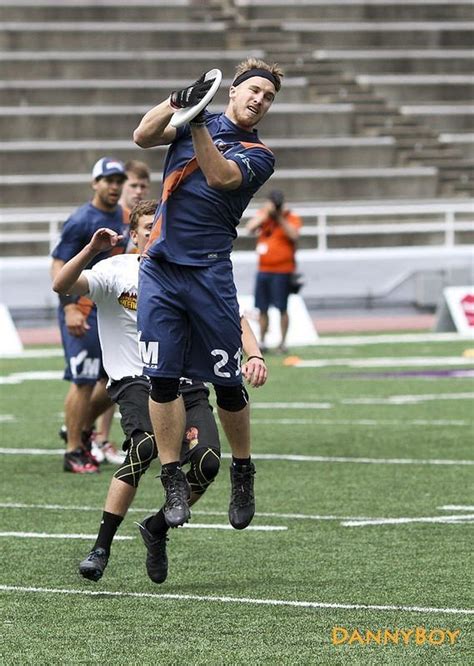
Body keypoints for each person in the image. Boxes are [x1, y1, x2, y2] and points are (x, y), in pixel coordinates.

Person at [52, 200, 267, 584]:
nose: (154, 231)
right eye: (147, 226)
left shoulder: (187, 269)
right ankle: (101, 546)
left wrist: (255, 354)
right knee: (146, 444)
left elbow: (233, 317)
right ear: (133, 234)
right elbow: (62, 285)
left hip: (185, 379)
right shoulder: (116, 269)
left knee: (207, 464)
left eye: (161, 224)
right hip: (134, 378)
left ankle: (156, 529)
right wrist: (91, 249)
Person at [133, 57, 283, 532]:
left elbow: (219, 176)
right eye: (253, 90)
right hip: (160, 268)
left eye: (269, 96)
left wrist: (194, 120)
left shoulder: (260, 155)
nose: (259, 100)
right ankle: (172, 476)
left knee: (227, 382)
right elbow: (142, 135)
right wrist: (181, 100)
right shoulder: (194, 116)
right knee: (161, 378)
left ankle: (243, 470)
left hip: (209, 273)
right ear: (234, 92)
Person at [51, 157, 128, 473]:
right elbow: (58, 264)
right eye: (108, 180)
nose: (114, 186)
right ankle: (73, 451)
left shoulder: (122, 216)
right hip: (80, 308)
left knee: (115, 377)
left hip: (106, 308)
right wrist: (69, 307)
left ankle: (80, 427)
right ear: (95, 183)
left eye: (117, 180)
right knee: (83, 379)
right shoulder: (83, 219)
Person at [93, 159, 153, 451]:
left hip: (134, 309)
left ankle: (92, 433)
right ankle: (91, 433)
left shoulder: (147, 218)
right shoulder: (116, 221)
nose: (138, 190)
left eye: (143, 185)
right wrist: (75, 308)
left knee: (117, 377)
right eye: (133, 185)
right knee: (106, 377)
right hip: (106, 305)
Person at [246, 190, 302, 354]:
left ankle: (283, 342)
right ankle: (262, 341)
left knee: (282, 307)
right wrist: (266, 215)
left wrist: (279, 217)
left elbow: (294, 235)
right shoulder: (263, 216)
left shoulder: (290, 217)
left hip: (283, 270)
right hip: (264, 269)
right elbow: (249, 228)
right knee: (262, 308)